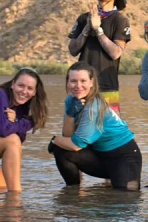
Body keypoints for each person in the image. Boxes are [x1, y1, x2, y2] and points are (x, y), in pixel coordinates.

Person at [49, 61, 142, 190]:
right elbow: (68, 136)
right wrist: (70, 114)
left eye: (83, 81)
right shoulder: (70, 100)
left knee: (124, 200)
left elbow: (76, 144)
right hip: (100, 157)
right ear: (67, 82)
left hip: (124, 157)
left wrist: (54, 140)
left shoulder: (93, 106)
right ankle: (72, 193)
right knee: (61, 150)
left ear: (91, 82)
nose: (78, 86)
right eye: (73, 81)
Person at [68, 0, 131, 113]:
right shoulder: (84, 18)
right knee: (78, 130)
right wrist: (87, 28)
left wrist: (98, 29)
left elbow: (115, 53)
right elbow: (72, 50)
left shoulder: (120, 20)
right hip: (82, 87)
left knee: (110, 132)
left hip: (107, 87)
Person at [0, 68, 48, 191]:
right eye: (21, 85)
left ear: (34, 92)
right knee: (14, 191)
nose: (24, 91)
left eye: (29, 88)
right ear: (12, 84)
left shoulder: (22, 107)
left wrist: (16, 122)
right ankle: (17, 204)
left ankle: (12, 202)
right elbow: (4, 131)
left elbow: (19, 141)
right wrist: (27, 122)